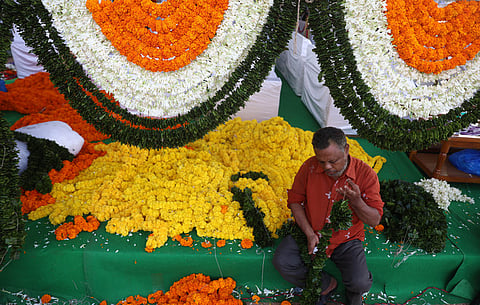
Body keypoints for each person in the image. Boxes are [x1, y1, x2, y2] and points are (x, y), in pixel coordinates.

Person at [273, 127, 384, 305]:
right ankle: (325, 283)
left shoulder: (365, 175)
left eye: (333, 161)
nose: (327, 167)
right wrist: (309, 233)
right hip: (310, 230)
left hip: (345, 238)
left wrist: (357, 201)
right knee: (282, 261)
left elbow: (375, 220)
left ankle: (353, 293)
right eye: (321, 161)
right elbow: (295, 201)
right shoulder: (309, 167)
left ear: (346, 150)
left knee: (360, 283)